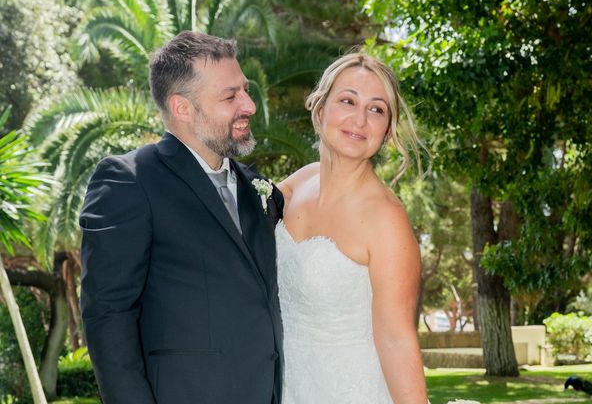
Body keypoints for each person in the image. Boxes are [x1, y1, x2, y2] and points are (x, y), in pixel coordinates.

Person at [79, 31, 284, 404]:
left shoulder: (260, 188)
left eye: (245, 90)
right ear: (183, 108)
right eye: (230, 96)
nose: (250, 105)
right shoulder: (130, 180)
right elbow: (108, 316)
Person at [277, 52, 428, 403]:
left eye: (376, 109)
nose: (359, 119)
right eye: (347, 101)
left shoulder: (386, 219)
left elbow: (396, 340)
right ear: (320, 110)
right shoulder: (297, 184)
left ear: (387, 130)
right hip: (286, 386)